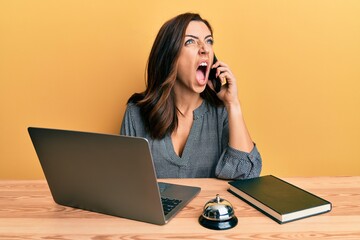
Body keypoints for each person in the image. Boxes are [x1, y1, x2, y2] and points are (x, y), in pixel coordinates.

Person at [120, 13, 262, 180]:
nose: (204, 49)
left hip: (206, 206)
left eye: (209, 41)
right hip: (156, 207)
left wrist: (233, 104)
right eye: (190, 41)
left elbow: (246, 176)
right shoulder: (136, 114)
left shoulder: (221, 112)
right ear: (170, 56)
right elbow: (126, 182)